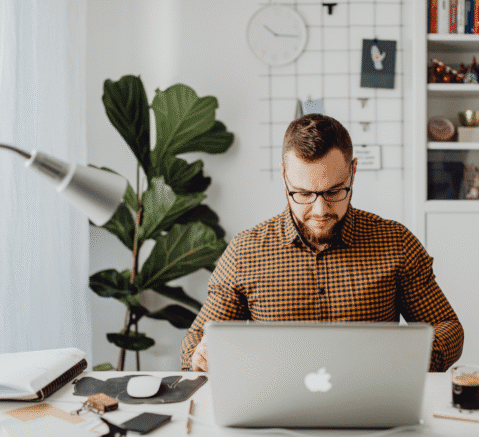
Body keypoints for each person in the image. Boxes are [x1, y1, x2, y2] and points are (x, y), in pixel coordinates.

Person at [180, 114, 463, 372]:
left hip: (369, 407)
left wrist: (414, 357)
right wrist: (199, 355)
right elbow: (197, 338)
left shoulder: (396, 243)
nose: (319, 211)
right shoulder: (245, 252)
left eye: (334, 191)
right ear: (283, 176)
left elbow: (448, 328)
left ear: (353, 172)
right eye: (302, 193)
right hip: (275, 410)